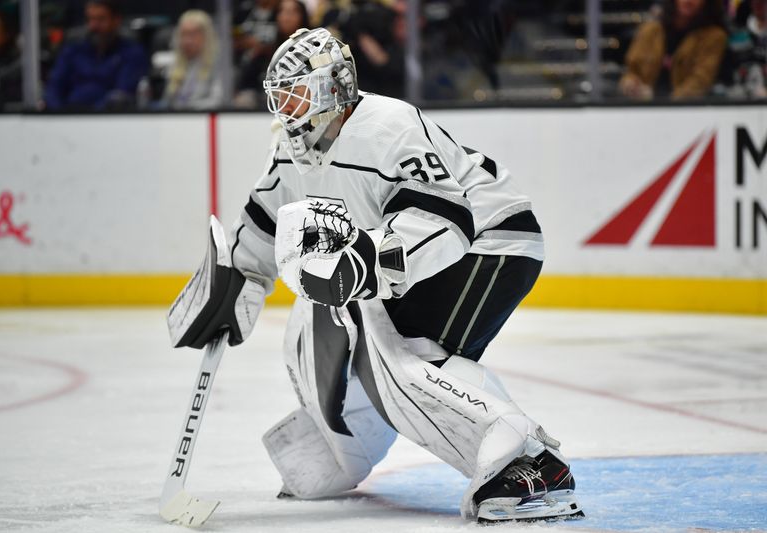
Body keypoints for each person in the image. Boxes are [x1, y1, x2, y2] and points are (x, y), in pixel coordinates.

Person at [167, 27, 583, 524]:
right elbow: (260, 226)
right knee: (321, 308)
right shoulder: (290, 152)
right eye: (282, 96)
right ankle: (342, 443)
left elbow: (446, 218)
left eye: (300, 92)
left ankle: (528, 463)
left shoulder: (388, 124)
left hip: (489, 242)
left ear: (334, 87)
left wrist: (370, 260)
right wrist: (234, 289)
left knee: (410, 353)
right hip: (414, 254)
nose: (288, 107)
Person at [44, 0, 148, 110]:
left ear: (116, 20)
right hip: (67, 117)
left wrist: (90, 117)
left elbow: (122, 94)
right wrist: (58, 115)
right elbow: (53, 89)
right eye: (90, 19)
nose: (93, 26)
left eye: (101, 19)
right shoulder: (72, 51)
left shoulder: (131, 53)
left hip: (107, 119)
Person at [619, 0, 728, 100]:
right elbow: (631, 70)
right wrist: (630, 83)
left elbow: (701, 81)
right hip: (642, 109)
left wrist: (664, 101)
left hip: (687, 111)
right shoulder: (650, 30)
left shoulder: (714, 37)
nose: (689, 1)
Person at [161, 10, 224, 110]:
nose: (187, 41)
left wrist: (189, 111)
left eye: (193, 34)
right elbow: (167, 102)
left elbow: (219, 101)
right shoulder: (175, 64)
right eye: (184, 34)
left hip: (202, 120)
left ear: (206, 36)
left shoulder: (218, 64)